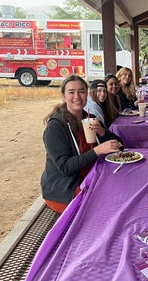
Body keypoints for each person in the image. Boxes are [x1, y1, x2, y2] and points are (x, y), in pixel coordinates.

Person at [41, 75, 123, 213]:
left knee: (124, 191)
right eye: (71, 92)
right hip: (65, 190)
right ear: (64, 96)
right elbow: (65, 167)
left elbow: (120, 146)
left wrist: (102, 132)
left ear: (87, 94)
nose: (77, 96)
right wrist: (98, 150)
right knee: (113, 205)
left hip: (92, 179)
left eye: (81, 91)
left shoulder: (89, 118)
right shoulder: (55, 127)